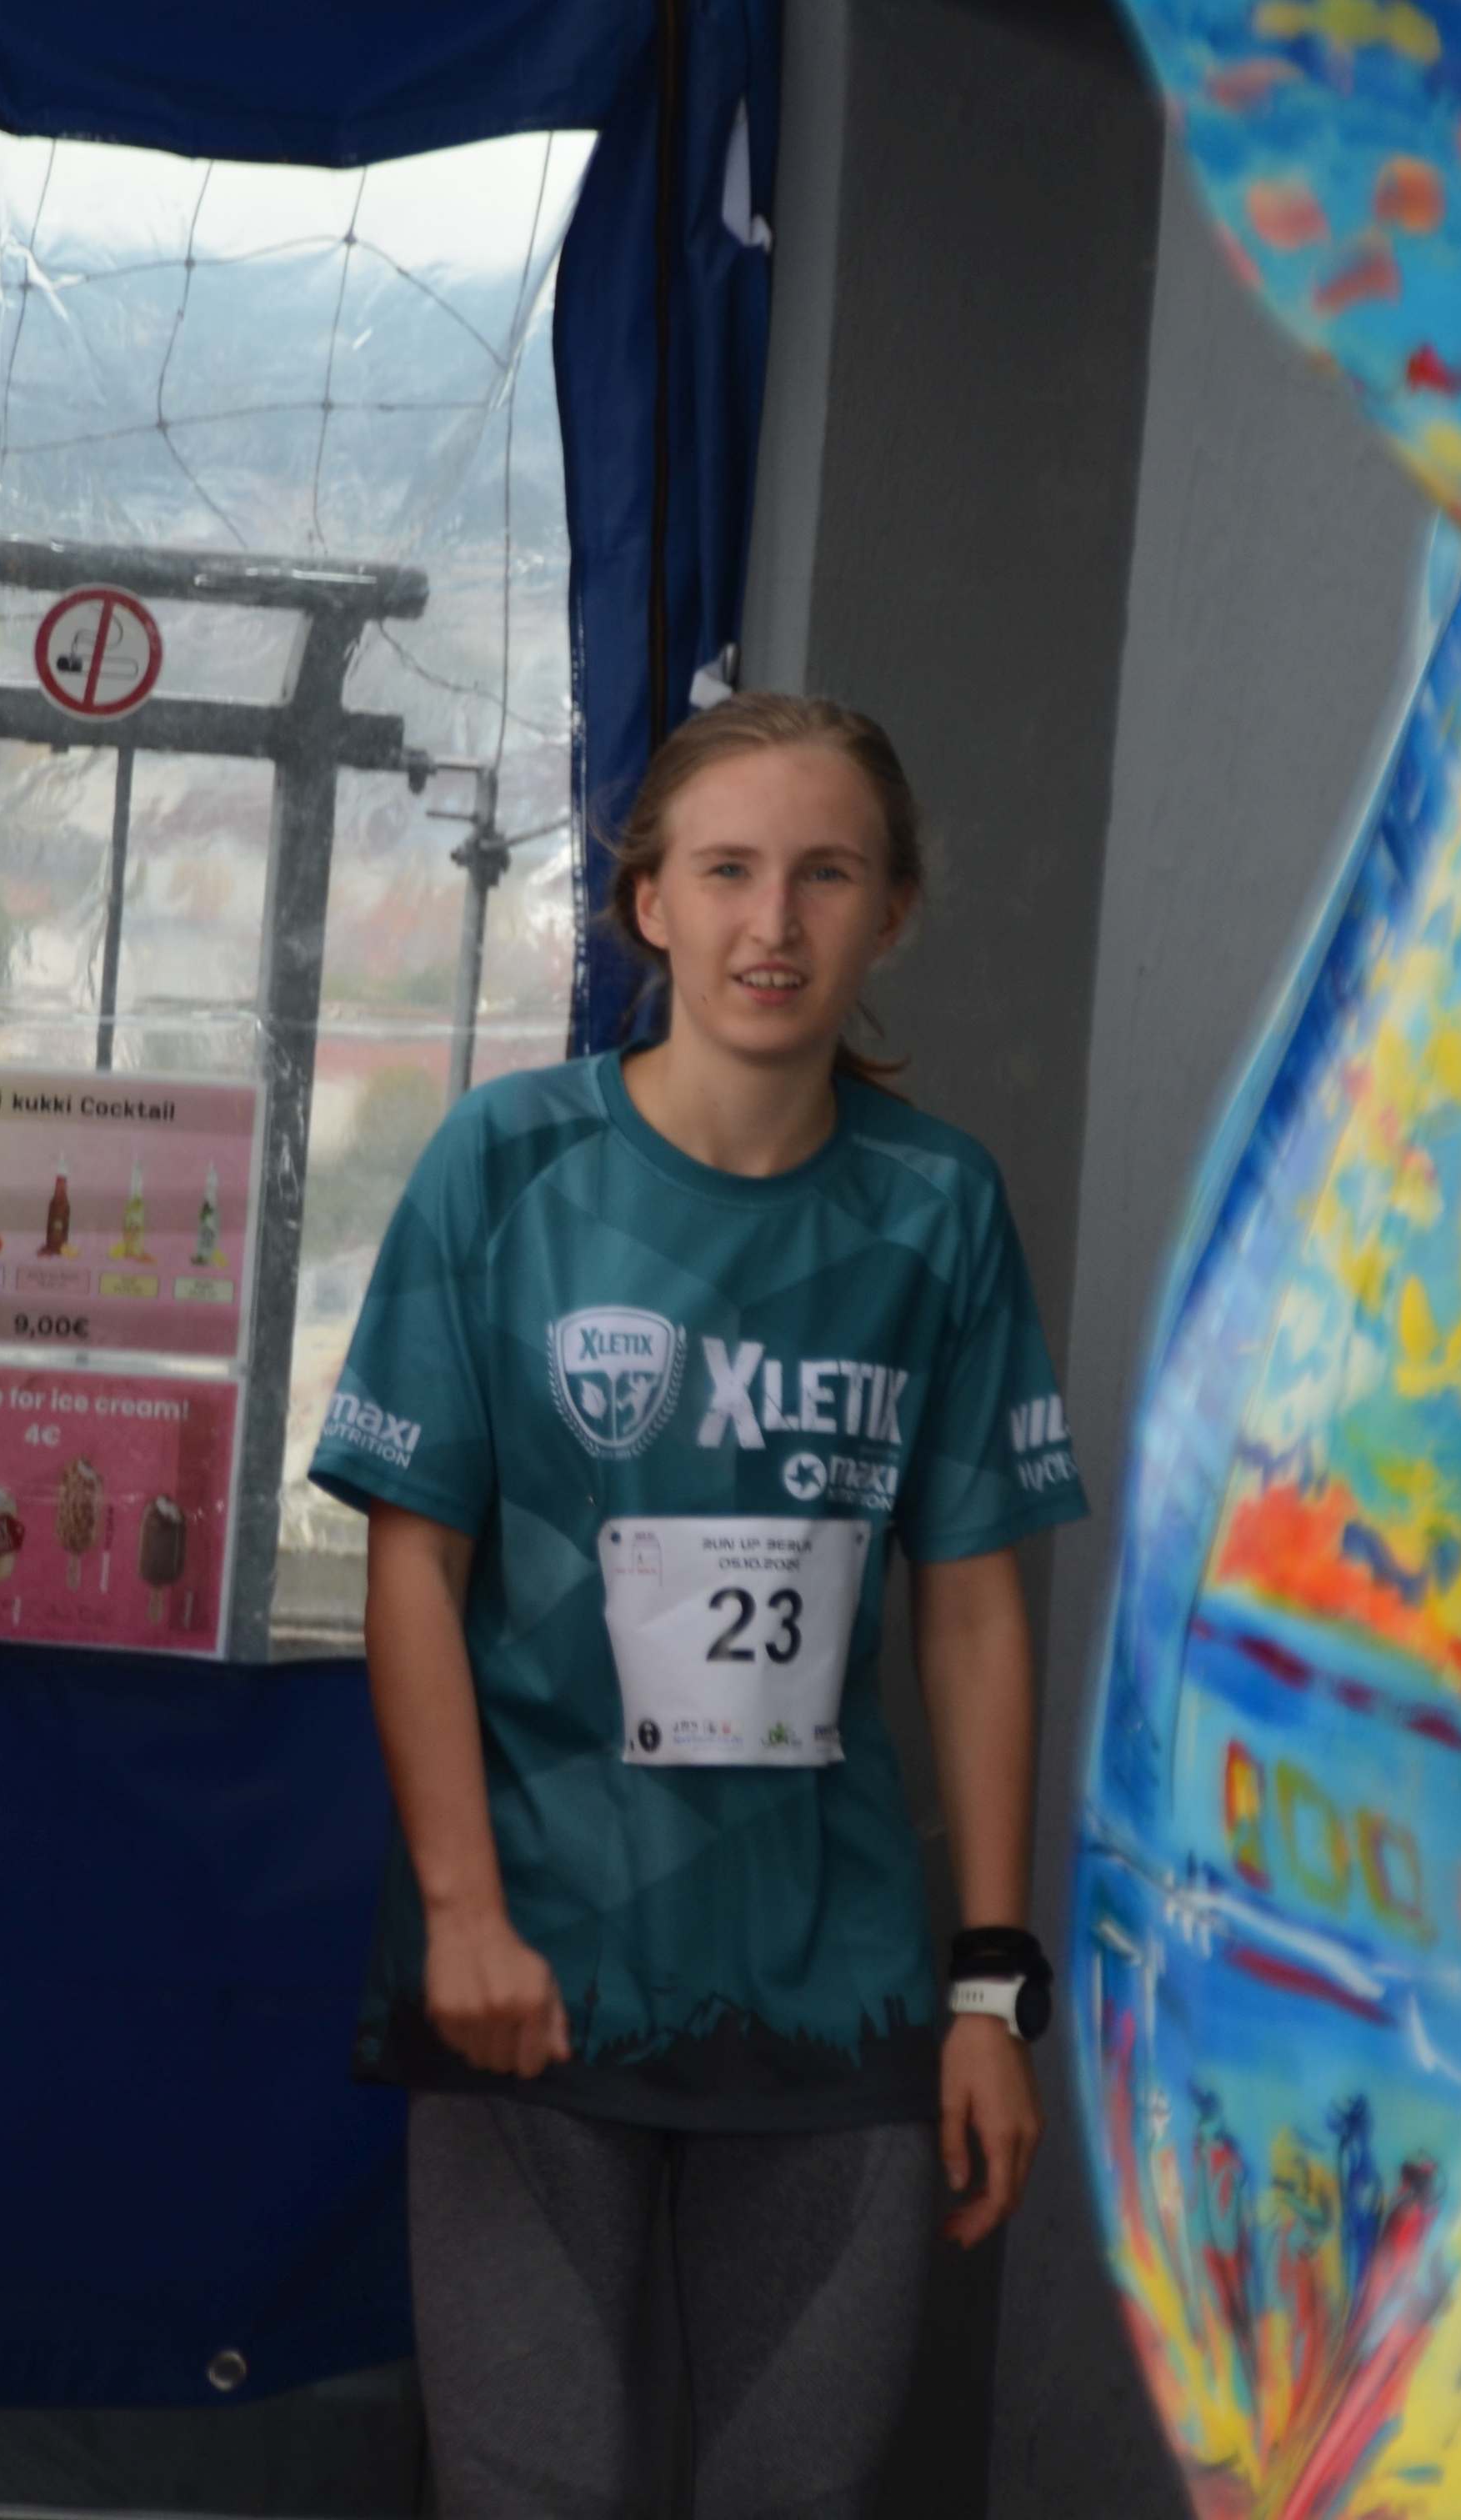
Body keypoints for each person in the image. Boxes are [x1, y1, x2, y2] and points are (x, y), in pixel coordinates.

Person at [309, 693, 1087, 2518]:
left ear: (893, 911)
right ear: (646, 902)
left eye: (828, 875)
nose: (773, 923)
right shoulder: (506, 1165)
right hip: (536, 1972)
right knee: (531, 2496)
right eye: (727, 871)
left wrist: (990, 1990)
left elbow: (975, 1612)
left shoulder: (938, 1207)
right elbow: (412, 1563)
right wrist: (461, 1915)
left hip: (835, 1993)